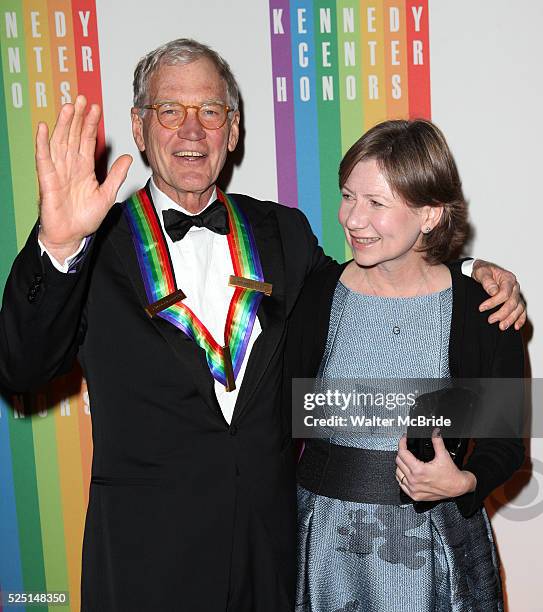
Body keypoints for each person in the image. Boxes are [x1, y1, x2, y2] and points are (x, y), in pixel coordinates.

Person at [0, 38, 524, 612]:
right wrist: (57, 244)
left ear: (234, 128)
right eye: (169, 111)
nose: (192, 131)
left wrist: (470, 268)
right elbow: (22, 366)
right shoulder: (94, 250)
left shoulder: (283, 234)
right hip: (146, 560)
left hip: (277, 559)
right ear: (139, 124)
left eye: (211, 112)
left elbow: (379, 278)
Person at [288, 119, 525, 612]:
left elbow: (507, 443)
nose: (352, 219)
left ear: (431, 213)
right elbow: (277, 423)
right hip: (327, 551)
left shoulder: (484, 311)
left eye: (376, 203)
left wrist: (464, 482)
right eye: (348, 196)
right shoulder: (314, 295)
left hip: (438, 548)